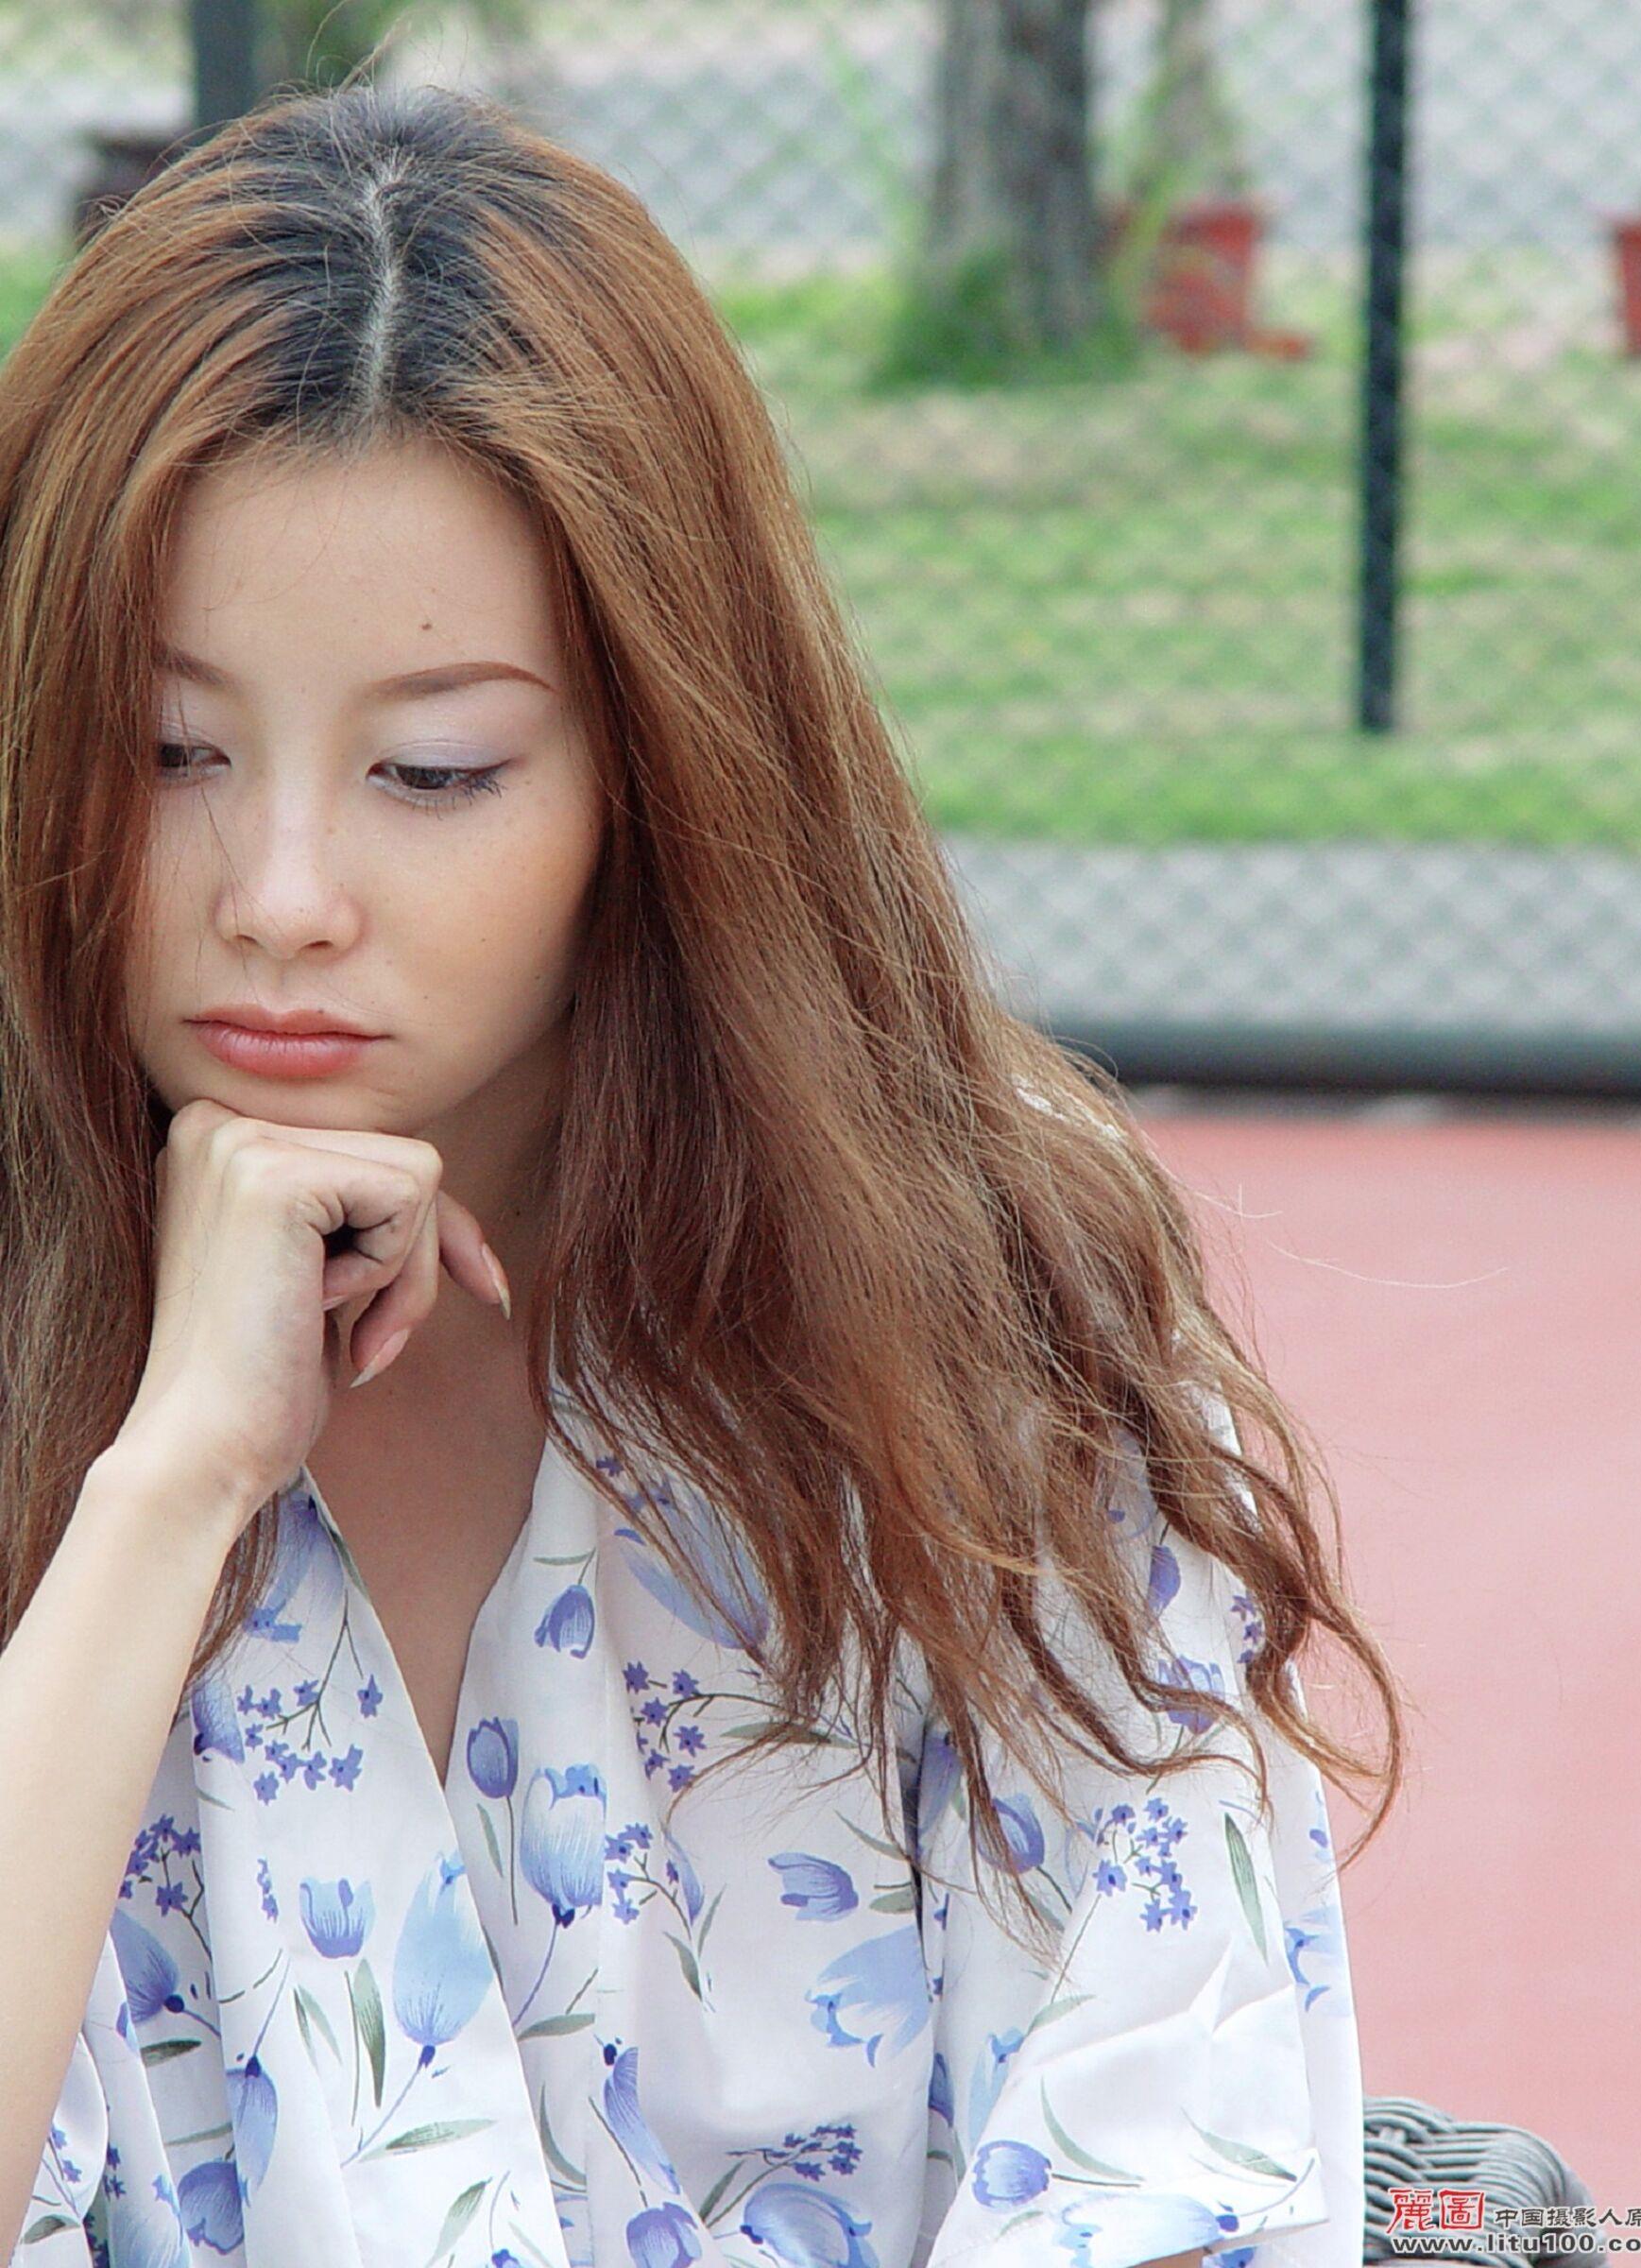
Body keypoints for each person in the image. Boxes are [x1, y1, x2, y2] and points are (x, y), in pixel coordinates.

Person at [0, 78, 1405, 2268]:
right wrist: (164, 1486)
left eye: (432, 768)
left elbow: (1172, 2165)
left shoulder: (976, 1317)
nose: (277, 894)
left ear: (652, 766)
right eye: (170, 746)